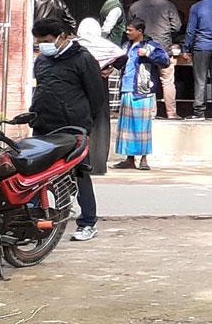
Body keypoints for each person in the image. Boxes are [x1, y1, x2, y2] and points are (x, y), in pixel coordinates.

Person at [29, 17, 105, 242]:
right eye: (39, 41)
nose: (43, 45)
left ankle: (88, 222)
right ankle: (33, 221)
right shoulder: (42, 61)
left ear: (62, 36)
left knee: (80, 174)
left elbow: (97, 97)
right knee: (36, 176)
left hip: (74, 129)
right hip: (44, 127)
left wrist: (83, 122)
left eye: (47, 40)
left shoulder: (83, 60)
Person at [108, 18, 169, 171]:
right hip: (127, 89)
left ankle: (143, 159)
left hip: (142, 90)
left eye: (130, 30)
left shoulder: (150, 45)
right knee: (127, 127)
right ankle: (129, 158)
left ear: (140, 31)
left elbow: (165, 60)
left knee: (142, 127)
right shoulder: (127, 46)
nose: (127, 33)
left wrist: (148, 54)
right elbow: (119, 62)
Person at [127, 0, 182, 118]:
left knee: (146, 78)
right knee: (167, 80)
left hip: (142, 47)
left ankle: (150, 113)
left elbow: (130, 25)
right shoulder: (168, 5)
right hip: (163, 47)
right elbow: (177, 26)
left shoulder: (135, 6)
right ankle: (171, 113)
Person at [74, 17, 121, 177]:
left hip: (80, 88)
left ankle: (80, 162)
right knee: (100, 124)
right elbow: (122, 56)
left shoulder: (77, 45)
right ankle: (99, 164)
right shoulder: (105, 44)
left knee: (80, 123)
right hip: (100, 86)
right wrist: (110, 68)